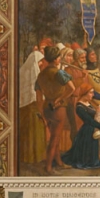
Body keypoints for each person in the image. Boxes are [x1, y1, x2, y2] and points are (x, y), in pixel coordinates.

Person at [35, 45, 74, 175]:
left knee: (53, 136)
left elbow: (39, 98)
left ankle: (59, 162)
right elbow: (72, 88)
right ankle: (48, 167)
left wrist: (41, 113)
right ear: (57, 59)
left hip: (47, 108)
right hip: (58, 109)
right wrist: (60, 99)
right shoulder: (59, 73)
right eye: (59, 58)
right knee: (55, 138)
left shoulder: (40, 75)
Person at [61, 88, 100, 169]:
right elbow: (89, 120)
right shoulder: (79, 107)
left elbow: (95, 116)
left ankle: (92, 160)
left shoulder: (88, 103)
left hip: (93, 129)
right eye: (91, 93)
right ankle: (86, 161)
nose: (93, 95)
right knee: (84, 156)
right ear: (84, 93)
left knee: (93, 156)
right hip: (87, 131)